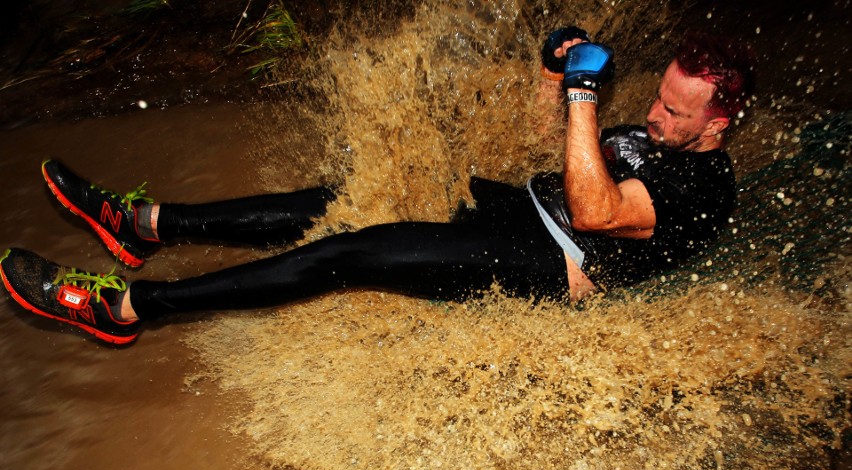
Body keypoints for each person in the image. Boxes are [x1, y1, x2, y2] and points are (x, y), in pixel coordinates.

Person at [0, 29, 755, 345]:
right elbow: (550, 147)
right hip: (518, 207)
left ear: (720, 122)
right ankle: (149, 225)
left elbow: (594, 210)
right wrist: (556, 75)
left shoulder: (703, 187)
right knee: (341, 195)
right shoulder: (662, 128)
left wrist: (587, 98)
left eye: (673, 109)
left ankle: (125, 308)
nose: (654, 112)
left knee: (348, 252)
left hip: (551, 264)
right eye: (655, 97)